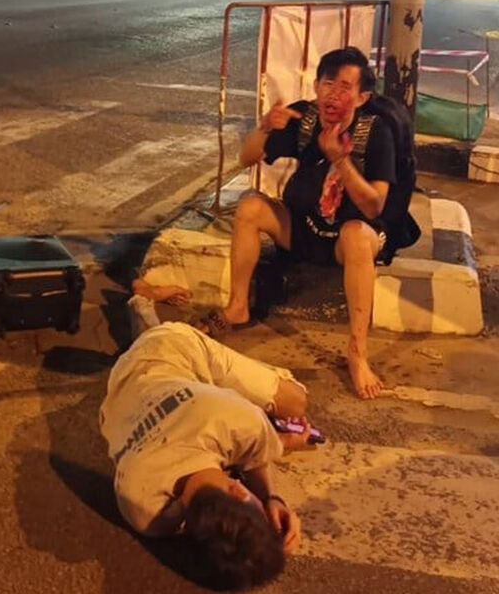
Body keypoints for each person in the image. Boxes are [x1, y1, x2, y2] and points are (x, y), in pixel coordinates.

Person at [199, 47, 404, 400]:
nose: (332, 95)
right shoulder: (305, 118)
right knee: (250, 207)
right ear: (316, 85)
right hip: (303, 227)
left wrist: (341, 160)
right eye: (327, 83)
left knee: (356, 235)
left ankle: (357, 354)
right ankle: (238, 307)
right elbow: (246, 158)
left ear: (362, 96)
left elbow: (374, 206)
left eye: (344, 87)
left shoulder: (376, 132)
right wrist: (265, 127)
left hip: (349, 238)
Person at [99, 315, 312, 590]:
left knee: (295, 403)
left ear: (238, 490)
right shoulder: (143, 513)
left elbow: (252, 453)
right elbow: (250, 454)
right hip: (125, 381)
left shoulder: (239, 419)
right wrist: (271, 494)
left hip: (174, 346)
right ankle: (147, 320)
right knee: (284, 409)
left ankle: (177, 327)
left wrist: (270, 496)